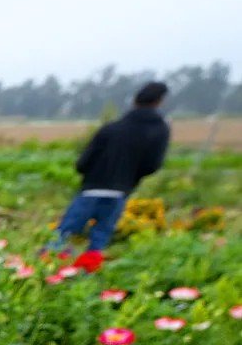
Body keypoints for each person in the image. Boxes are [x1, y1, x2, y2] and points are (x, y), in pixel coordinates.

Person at [49, 82, 171, 253]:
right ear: (159, 102)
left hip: (92, 188)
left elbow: (83, 162)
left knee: (63, 233)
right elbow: (152, 165)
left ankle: (49, 262)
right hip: (120, 190)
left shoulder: (111, 129)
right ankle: (89, 266)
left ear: (135, 102)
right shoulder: (160, 131)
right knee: (100, 237)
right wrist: (130, 177)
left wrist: (88, 173)